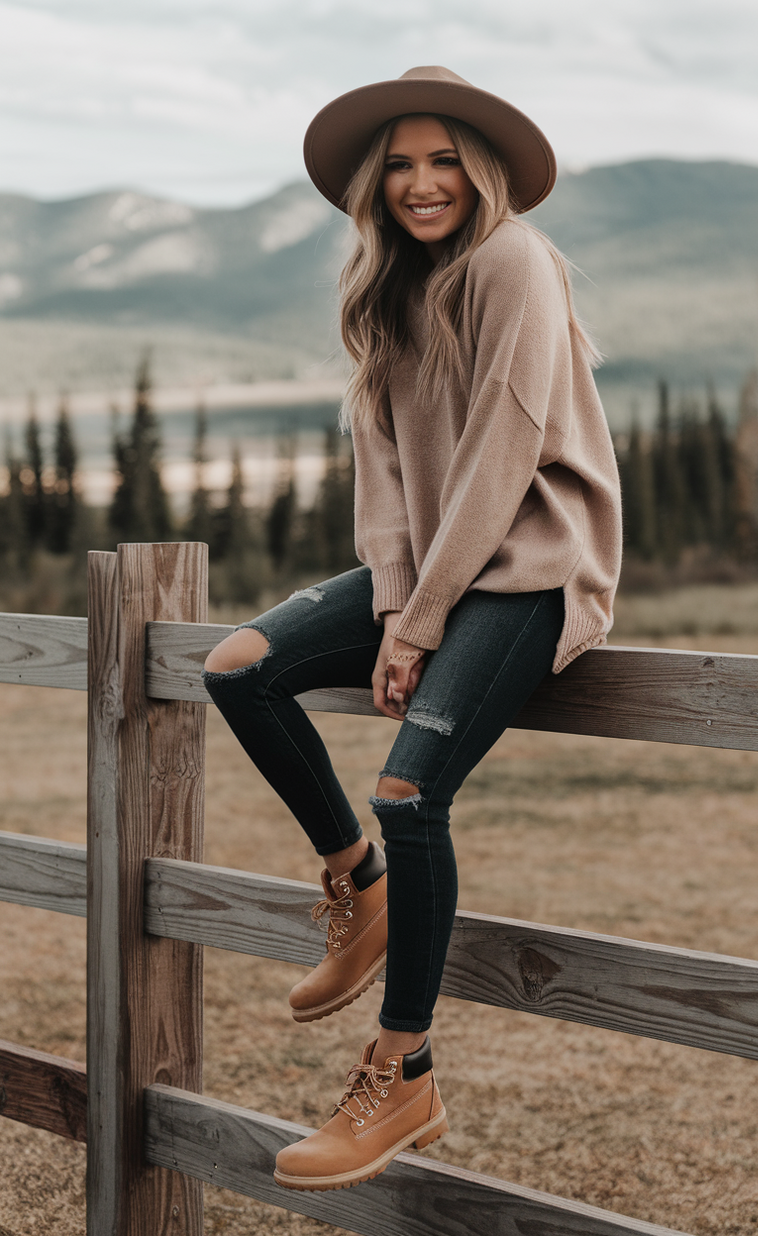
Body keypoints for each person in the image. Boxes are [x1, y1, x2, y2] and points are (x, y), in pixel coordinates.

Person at [202, 65, 622, 1192]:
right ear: (373, 183)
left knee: (409, 790)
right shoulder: (389, 283)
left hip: (526, 568)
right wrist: (395, 603)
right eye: (398, 164)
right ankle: (357, 881)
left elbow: (502, 448)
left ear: (480, 171)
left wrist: (423, 620)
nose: (421, 183)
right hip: (437, 572)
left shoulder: (510, 260)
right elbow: (382, 470)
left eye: (442, 161)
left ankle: (404, 1068)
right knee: (238, 667)